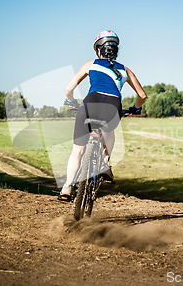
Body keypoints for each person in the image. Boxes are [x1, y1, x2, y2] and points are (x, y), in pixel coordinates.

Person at [58, 30, 146, 201]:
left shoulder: (90, 64)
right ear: (116, 50)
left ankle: (67, 186)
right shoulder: (125, 70)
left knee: (77, 150)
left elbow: (69, 89)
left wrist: (72, 101)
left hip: (90, 103)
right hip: (113, 106)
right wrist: (135, 108)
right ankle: (105, 164)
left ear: (98, 50)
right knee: (109, 132)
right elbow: (142, 96)